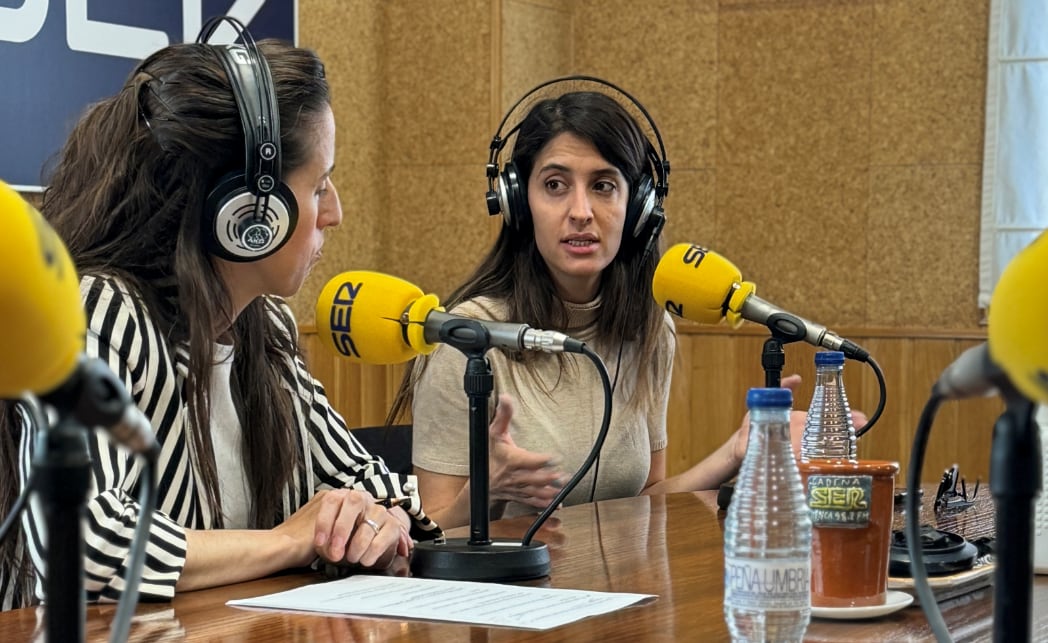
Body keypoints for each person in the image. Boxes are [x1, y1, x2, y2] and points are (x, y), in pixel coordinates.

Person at [0, 21, 438, 611]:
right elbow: (79, 540)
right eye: (319, 186)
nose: (335, 212)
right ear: (248, 212)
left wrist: (372, 520)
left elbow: (369, 487)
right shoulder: (100, 312)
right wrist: (288, 540)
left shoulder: (266, 330)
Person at [391, 82, 831, 529]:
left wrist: (736, 452)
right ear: (518, 202)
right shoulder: (465, 339)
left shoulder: (650, 328)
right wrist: (487, 491)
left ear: (640, 208)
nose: (581, 211)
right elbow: (432, 531)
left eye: (603, 186)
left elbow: (642, 499)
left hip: (614, 587)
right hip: (506, 592)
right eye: (555, 185)